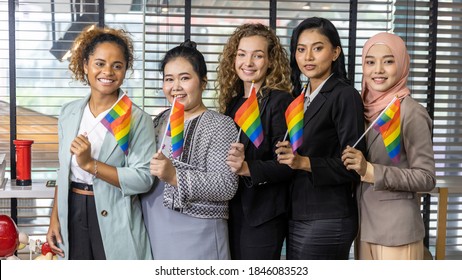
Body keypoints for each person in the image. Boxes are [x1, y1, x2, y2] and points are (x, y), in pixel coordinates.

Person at [46, 26, 155, 259]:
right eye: (100, 63)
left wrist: (89, 164)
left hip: (116, 215)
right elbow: (62, 170)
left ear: (125, 70)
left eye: (117, 65)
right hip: (72, 210)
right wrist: (54, 217)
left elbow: (144, 179)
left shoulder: (137, 119)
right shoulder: (69, 112)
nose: (108, 71)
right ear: (85, 65)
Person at [275, 17, 366, 260]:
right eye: (301, 50)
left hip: (327, 214)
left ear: (335, 52)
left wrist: (302, 162)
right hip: (298, 212)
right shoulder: (300, 97)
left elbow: (354, 165)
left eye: (318, 48)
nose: (308, 57)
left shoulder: (345, 95)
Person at [341, 32, 436, 260]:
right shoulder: (358, 109)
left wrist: (370, 171)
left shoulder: (411, 112)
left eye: (389, 61)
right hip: (364, 230)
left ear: (402, 64)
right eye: (370, 62)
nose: (379, 70)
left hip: (397, 232)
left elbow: (426, 178)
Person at [141, 40, 239, 260]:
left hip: (198, 234)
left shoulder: (219, 124)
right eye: (169, 79)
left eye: (184, 78)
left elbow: (226, 185)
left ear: (202, 82)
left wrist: (174, 175)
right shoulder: (158, 121)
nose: (175, 86)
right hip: (154, 228)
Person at [216, 23, 294, 260]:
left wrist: (247, 167)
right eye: (242, 54)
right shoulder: (233, 102)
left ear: (271, 61)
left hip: (262, 214)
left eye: (257, 55)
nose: (248, 62)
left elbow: (288, 165)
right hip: (231, 209)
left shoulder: (280, 102)